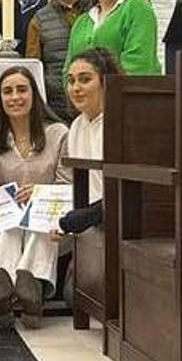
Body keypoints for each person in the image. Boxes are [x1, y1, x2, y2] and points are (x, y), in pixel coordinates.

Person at [0, 66, 70, 329]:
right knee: (4, 227)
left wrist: (39, 193)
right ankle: (6, 285)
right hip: (9, 219)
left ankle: (29, 282)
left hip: (51, 219)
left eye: (22, 89)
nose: (15, 97)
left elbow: (69, 184)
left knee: (40, 224)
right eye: (7, 91)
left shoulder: (58, 133)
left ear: (35, 94)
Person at [57, 49, 122, 237]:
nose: (76, 87)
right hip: (86, 216)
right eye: (71, 81)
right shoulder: (77, 125)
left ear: (105, 82)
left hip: (115, 216)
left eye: (84, 80)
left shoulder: (119, 120)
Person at [66, 0, 161, 75]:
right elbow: (68, 68)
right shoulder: (82, 21)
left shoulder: (136, 7)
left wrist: (102, 89)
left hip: (132, 92)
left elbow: (138, 62)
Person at [26, 0, 91, 121]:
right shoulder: (38, 21)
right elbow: (34, 70)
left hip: (97, 108)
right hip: (56, 113)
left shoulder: (98, 9)